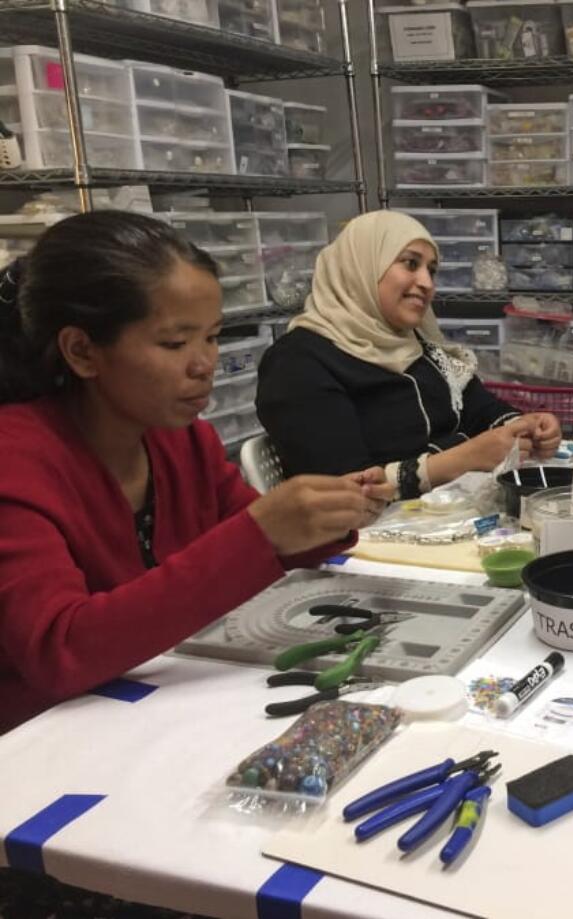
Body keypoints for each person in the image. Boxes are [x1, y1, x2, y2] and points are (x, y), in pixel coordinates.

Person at [0, 211, 395, 735]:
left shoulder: (179, 438)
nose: (204, 363)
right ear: (82, 351)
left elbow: (245, 544)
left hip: (155, 706)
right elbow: (61, 647)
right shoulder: (17, 461)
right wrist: (262, 530)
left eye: (211, 337)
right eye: (174, 343)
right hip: (44, 744)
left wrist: (320, 518)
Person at [256, 211, 561, 498]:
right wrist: (463, 457)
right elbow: (344, 489)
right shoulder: (297, 364)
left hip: (438, 515)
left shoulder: (415, 345)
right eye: (410, 264)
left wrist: (528, 427)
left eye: (432, 270)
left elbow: (481, 409)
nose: (427, 283)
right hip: (363, 543)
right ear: (363, 266)